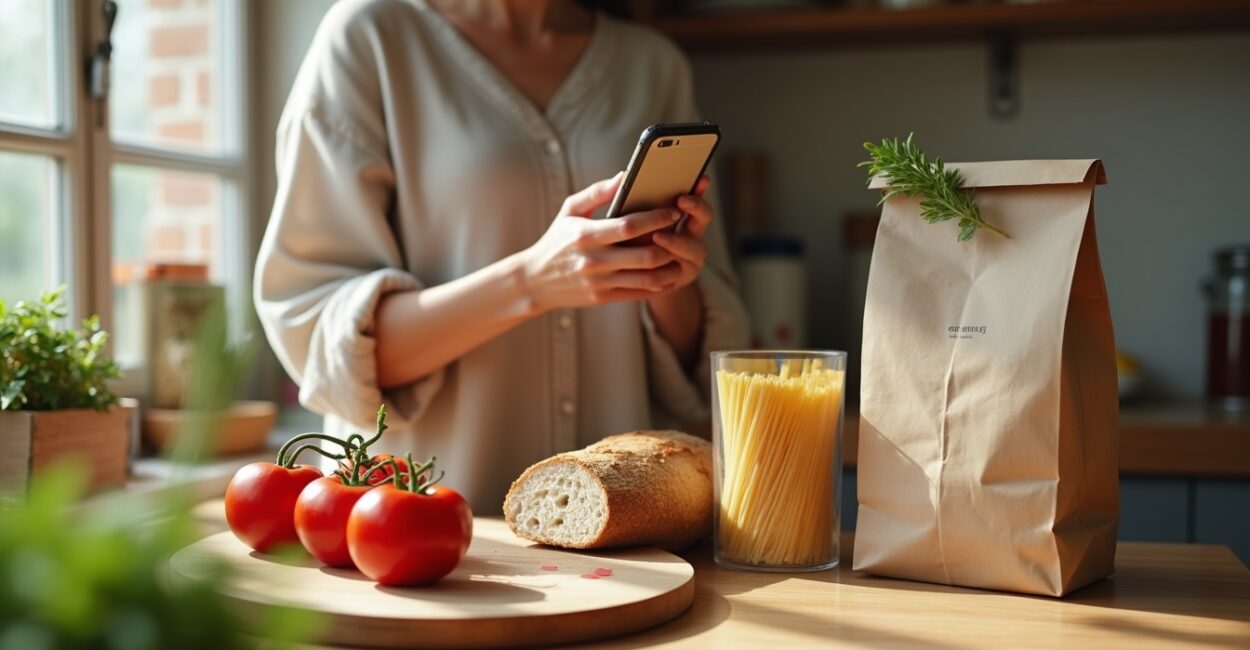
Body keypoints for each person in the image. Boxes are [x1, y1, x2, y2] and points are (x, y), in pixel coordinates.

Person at [254, 0, 749, 512]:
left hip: (618, 526)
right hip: (418, 525)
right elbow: (322, 340)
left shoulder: (652, 65)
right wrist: (531, 283)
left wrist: (664, 271)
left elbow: (705, 360)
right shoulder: (370, 38)